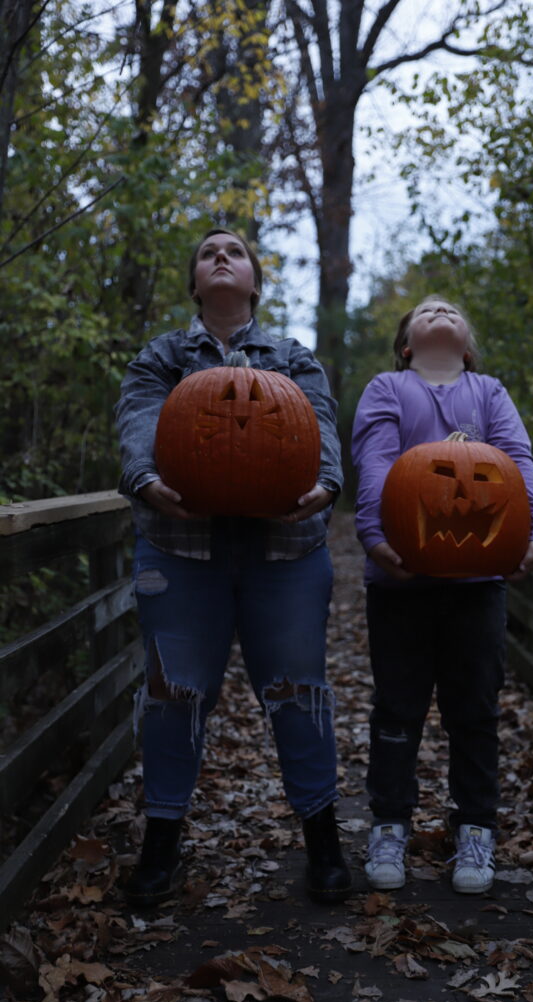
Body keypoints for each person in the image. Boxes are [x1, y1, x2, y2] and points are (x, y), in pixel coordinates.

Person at [115, 226, 351, 907]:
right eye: (207, 253)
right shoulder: (161, 356)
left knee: (298, 692)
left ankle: (323, 840)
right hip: (180, 547)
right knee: (173, 695)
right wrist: (147, 480)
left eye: (235, 252)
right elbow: (138, 425)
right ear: (195, 283)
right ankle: (161, 842)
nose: (222, 257)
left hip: (284, 551)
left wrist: (325, 488)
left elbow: (321, 429)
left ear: (253, 280)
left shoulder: (291, 359)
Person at [351, 295, 533, 895]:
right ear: (407, 343)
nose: (439, 309)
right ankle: (389, 823)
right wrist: (374, 535)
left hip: (478, 585)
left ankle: (475, 828)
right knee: (397, 709)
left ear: (466, 345)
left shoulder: (488, 392)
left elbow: (517, 460)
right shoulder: (387, 387)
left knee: (476, 712)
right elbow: (377, 462)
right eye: (426, 308)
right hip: (400, 582)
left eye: (451, 309)